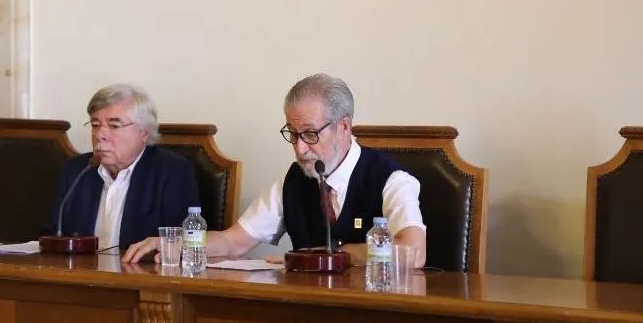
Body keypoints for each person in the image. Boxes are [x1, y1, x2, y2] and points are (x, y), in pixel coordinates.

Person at [122, 73, 427, 267]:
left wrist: (335, 255)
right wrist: (176, 242)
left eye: (310, 134)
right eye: (292, 134)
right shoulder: (294, 179)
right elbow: (233, 242)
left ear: (344, 127)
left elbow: (413, 252)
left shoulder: (392, 179)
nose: (300, 149)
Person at [51, 83, 201, 251]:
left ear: (143, 132)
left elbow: (181, 245)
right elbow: (51, 236)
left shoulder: (173, 173)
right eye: (95, 125)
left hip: (139, 268)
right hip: (81, 268)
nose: (100, 135)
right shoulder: (76, 170)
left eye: (114, 126)